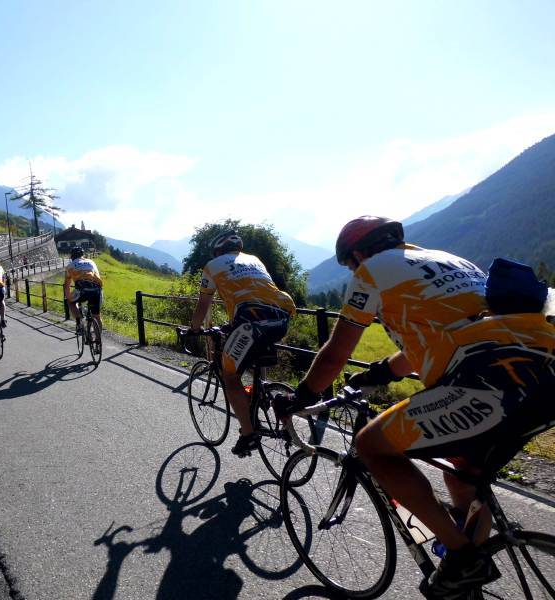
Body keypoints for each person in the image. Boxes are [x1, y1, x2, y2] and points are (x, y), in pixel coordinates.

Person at [289, 216, 555, 597]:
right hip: (545, 377)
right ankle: (466, 567)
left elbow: (334, 355)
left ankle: (464, 561)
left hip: (487, 383)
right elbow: (447, 332)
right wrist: (378, 373)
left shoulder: (371, 270)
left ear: (359, 253)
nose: (353, 270)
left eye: (350, 263)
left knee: (371, 446)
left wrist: (302, 397)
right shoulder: (449, 260)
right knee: (464, 468)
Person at [189, 229, 296, 457]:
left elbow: (203, 305)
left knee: (230, 375)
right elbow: (258, 293)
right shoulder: (254, 260)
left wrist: (194, 329)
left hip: (252, 321)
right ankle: (260, 392)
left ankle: (248, 435)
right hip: (280, 318)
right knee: (253, 346)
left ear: (218, 251)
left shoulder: (213, 264)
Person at [64, 247, 103, 332]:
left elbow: (67, 285)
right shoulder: (91, 262)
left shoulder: (70, 266)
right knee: (97, 316)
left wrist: (68, 297)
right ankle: (98, 339)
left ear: (72, 257)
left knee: (70, 302)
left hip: (82, 290)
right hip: (97, 289)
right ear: (82, 255)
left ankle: (79, 323)